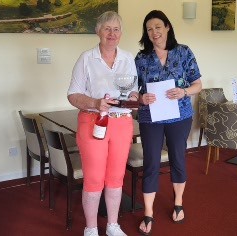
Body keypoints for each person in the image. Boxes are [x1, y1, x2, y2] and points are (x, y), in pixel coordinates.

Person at [67, 11, 138, 236]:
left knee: (116, 176)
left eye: (116, 29)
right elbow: (72, 95)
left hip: (122, 123)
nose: (112, 33)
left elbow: (132, 91)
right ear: (98, 31)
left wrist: (134, 98)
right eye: (107, 29)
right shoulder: (86, 58)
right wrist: (95, 102)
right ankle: (90, 229)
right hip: (93, 121)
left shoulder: (128, 58)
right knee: (95, 178)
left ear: (121, 33)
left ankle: (112, 226)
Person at [135, 10, 203, 235]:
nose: (154, 32)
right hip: (150, 118)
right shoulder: (141, 58)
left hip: (180, 117)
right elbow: (132, 92)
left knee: (177, 158)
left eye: (157, 27)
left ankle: (178, 203)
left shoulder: (183, 52)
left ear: (167, 27)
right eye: (149, 29)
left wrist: (184, 92)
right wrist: (141, 98)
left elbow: (197, 84)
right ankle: (148, 213)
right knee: (151, 162)